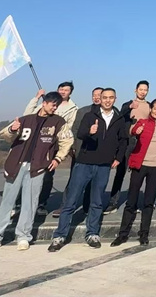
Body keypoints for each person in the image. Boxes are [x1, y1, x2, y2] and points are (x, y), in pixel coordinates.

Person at [0, 92, 71, 252]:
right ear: (44, 103)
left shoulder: (58, 122)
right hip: (16, 165)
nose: (54, 108)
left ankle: (23, 236)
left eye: (56, 105)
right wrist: (12, 129)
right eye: (52, 104)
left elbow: (67, 140)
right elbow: (4, 135)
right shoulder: (26, 119)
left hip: (38, 167)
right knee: (7, 203)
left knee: (30, 203)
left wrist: (58, 158)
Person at [48, 88, 128, 252]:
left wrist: (118, 158)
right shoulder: (89, 116)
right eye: (104, 97)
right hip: (84, 163)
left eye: (110, 97)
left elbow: (123, 141)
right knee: (71, 200)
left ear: (115, 99)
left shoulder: (119, 119)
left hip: (104, 165)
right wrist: (89, 132)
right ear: (100, 99)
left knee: (96, 202)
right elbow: (80, 134)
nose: (107, 100)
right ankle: (60, 235)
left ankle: (92, 233)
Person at [111, 99, 156, 246]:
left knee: (149, 202)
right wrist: (136, 131)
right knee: (131, 201)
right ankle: (123, 234)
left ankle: (144, 234)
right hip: (140, 165)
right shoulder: (143, 122)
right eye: (155, 108)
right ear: (151, 109)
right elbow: (133, 131)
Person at [22, 82, 78, 216]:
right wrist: (36, 98)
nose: (63, 92)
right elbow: (27, 115)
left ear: (70, 93)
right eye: (61, 89)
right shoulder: (46, 103)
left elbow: (69, 129)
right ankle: (20, 203)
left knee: (47, 175)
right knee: (26, 173)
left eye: (66, 90)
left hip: (53, 145)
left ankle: (41, 203)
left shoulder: (73, 109)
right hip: (36, 143)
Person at [51, 86, 102, 218]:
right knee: (74, 180)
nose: (96, 97)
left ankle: (87, 207)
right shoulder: (83, 111)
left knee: (94, 182)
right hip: (81, 151)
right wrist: (73, 147)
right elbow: (74, 130)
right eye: (94, 95)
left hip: (98, 153)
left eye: (99, 95)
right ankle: (65, 206)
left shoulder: (109, 113)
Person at [106, 80, 150, 213]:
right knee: (120, 172)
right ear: (135, 90)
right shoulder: (127, 104)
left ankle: (133, 203)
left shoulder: (149, 106)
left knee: (137, 174)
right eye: (141, 89)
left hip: (141, 142)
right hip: (128, 141)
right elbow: (120, 116)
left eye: (145, 90)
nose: (143, 92)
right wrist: (130, 107)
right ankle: (113, 202)